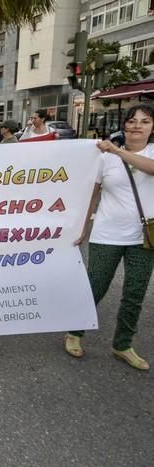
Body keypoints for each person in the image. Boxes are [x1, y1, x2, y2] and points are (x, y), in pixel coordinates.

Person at [65, 104, 154, 370]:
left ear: (152, 127)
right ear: (124, 125)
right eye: (132, 120)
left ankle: (123, 344)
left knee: (135, 291)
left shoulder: (135, 153)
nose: (137, 125)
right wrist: (82, 228)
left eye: (145, 121)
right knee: (96, 284)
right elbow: (92, 194)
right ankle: (74, 333)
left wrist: (117, 150)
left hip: (144, 237)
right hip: (107, 233)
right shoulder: (103, 159)